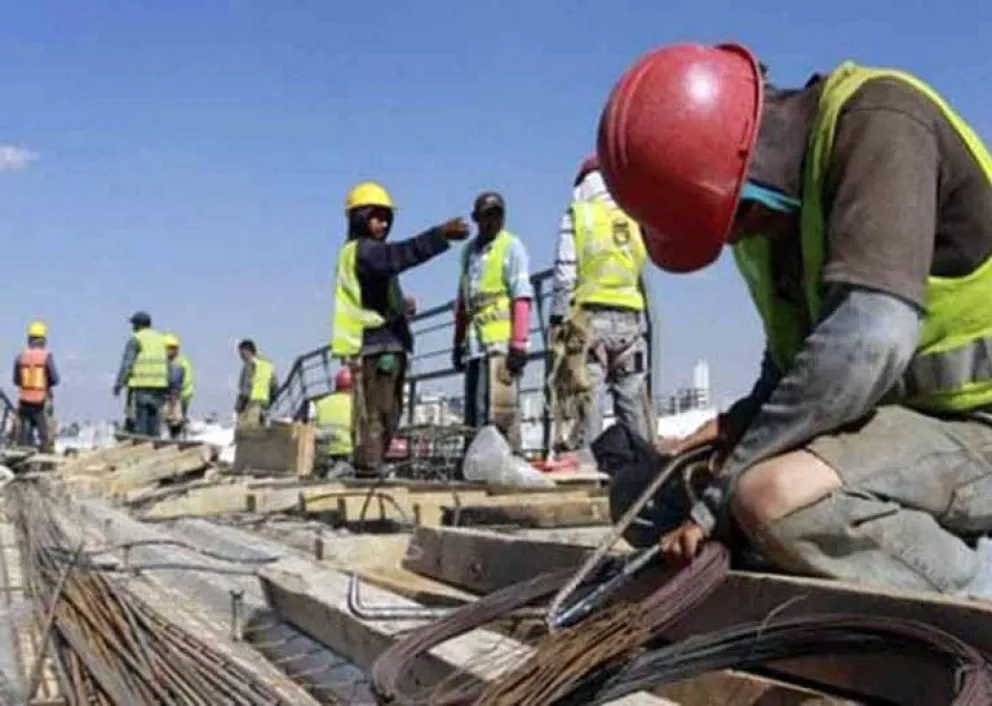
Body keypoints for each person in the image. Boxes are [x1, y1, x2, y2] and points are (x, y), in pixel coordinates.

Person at [596, 42, 992, 598]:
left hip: (977, 427)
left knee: (770, 498)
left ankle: (977, 583)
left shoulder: (881, 123)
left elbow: (868, 339)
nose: (735, 239)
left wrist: (721, 497)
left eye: (730, 227)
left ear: (739, 195)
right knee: (639, 498)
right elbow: (790, 363)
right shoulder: (768, 215)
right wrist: (736, 426)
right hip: (899, 427)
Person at [331, 181, 469, 476]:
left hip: (384, 342)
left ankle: (371, 466)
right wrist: (439, 236)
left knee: (387, 413)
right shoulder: (365, 251)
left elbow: (373, 295)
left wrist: (400, 306)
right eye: (375, 217)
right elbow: (399, 255)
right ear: (359, 218)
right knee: (378, 414)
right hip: (375, 345)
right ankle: (368, 472)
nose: (382, 224)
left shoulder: (364, 253)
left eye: (385, 218)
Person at [548, 155, 653, 452]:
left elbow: (565, 270)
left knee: (587, 399)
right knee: (632, 402)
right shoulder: (634, 216)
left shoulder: (579, 214)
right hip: (631, 322)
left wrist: (557, 318)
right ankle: (644, 471)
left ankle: (590, 469)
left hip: (589, 321)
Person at [452, 192, 533, 452]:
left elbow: (521, 295)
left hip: (501, 345)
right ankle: (475, 462)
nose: (492, 223)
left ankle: (505, 460)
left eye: (497, 216)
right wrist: (458, 341)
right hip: (475, 344)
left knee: (500, 410)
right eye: (486, 217)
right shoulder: (469, 253)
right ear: (476, 219)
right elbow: (463, 301)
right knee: (475, 411)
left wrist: (519, 343)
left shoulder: (511, 246)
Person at [113, 311, 169, 437]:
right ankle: (155, 451)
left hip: (141, 387)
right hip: (159, 388)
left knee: (140, 425)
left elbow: (127, 364)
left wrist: (119, 384)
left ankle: (142, 451)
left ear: (138, 325)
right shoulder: (161, 339)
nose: (132, 328)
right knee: (154, 426)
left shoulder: (136, 339)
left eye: (133, 324)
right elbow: (167, 364)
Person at [13, 320, 60, 450]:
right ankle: (46, 461)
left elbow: (16, 380)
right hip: (41, 401)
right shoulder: (46, 357)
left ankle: (22, 461)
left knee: (24, 433)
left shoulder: (20, 357)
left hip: (24, 401)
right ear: (44, 340)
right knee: (45, 434)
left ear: (29, 339)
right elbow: (55, 379)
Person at [313, 368, 354, 474]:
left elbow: (312, 429)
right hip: (346, 452)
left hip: (324, 452)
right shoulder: (355, 404)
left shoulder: (321, 403)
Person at [235, 339, 277, 429]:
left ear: (246, 351)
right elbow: (274, 385)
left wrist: (239, 407)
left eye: (241, 353)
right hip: (264, 405)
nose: (240, 356)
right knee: (259, 433)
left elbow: (245, 387)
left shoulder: (249, 365)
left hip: (251, 404)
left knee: (247, 433)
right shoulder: (267, 364)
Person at [164, 334, 192, 440]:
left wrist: (180, 398)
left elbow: (185, 382)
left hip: (179, 398)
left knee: (176, 425)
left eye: (173, 348)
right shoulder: (170, 362)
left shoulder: (179, 362)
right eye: (169, 348)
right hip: (174, 398)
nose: (170, 350)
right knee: (172, 424)